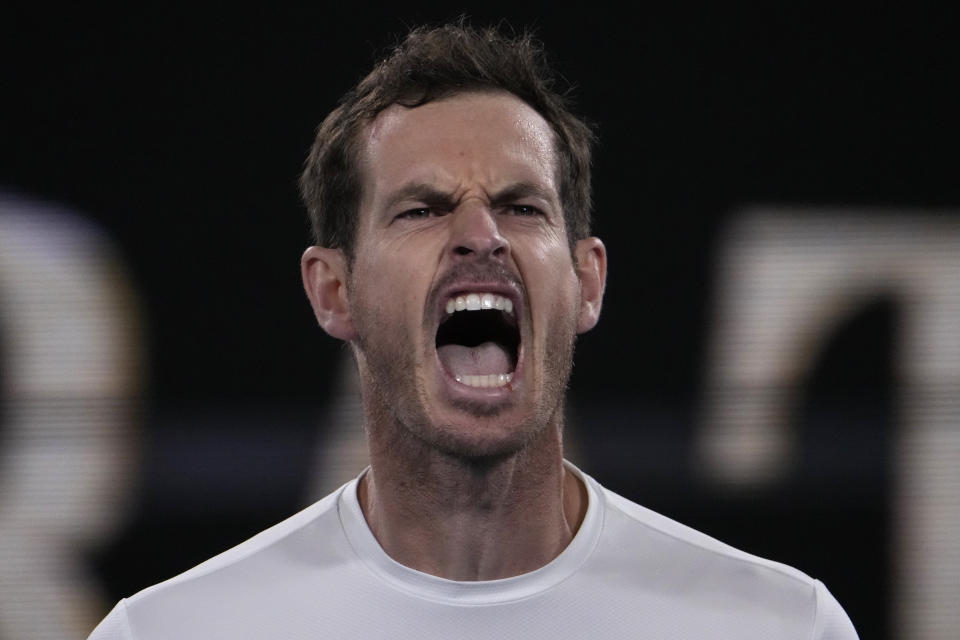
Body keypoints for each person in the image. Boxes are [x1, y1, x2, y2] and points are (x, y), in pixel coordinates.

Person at [88, 22, 859, 639]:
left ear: (587, 281)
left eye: (523, 207)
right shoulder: (168, 631)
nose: (481, 234)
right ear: (334, 291)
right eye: (422, 209)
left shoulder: (781, 625)